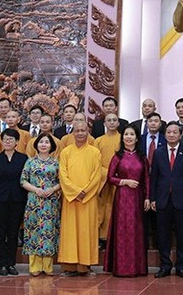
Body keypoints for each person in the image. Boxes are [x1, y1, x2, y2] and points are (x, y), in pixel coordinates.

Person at [149, 123, 183, 278]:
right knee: (163, 235)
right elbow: (154, 177)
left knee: (182, 235)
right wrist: (153, 198)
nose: (171, 134)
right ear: (165, 134)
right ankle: (165, 265)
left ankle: (182, 267)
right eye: (168, 132)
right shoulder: (159, 152)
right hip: (163, 199)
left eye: (175, 132)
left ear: (180, 135)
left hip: (182, 200)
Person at [58, 121, 103, 276]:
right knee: (70, 232)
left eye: (83, 130)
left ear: (88, 132)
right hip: (71, 199)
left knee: (86, 231)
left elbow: (97, 176)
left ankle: (85, 265)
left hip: (88, 199)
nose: (80, 133)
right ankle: (69, 266)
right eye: (77, 131)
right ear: (73, 133)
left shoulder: (95, 152)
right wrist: (76, 192)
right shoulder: (65, 152)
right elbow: (63, 175)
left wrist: (85, 192)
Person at [104, 125, 149, 277]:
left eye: (132, 134)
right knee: (122, 230)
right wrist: (124, 181)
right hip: (122, 197)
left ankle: (138, 267)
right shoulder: (118, 157)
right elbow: (110, 178)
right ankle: (121, 268)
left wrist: (148, 197)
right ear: (122, 138)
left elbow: (146, 179)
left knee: (136, 230)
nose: (129, 137)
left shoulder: (142, 158)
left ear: (137, 138)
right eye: (126, 134)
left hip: (138, 198)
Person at [0, 128, 28, 276]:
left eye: (11, 139)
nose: (8, 141)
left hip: (18, 200)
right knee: (0, 233)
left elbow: (25, 180)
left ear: (17, 142)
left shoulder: (23, 158)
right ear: (1, 141)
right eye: (5, 139)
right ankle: (1, 264)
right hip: (0, 200)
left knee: (13, 233)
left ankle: (11, 263)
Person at [21, 133, 62, 276]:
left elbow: (60, 181)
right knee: (34, 232)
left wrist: (52, 189)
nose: (44, 144)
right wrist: (36, 189)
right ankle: (34, 266)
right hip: (34, 201)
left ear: (51, 146)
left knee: (48, 232)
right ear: (36, 145)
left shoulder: (56, 163)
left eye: (47, 142)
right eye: (41, 142)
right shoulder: (30, 162)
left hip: (50, 202)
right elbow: (23, 181)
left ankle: (48, 266)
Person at [95, 113, 121, 248]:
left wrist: (117, 174)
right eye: (109, 120)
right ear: (104, 124)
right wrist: (106, 173)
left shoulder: (123, 139)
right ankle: (101, 238)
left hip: (119, 179)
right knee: (102, 208)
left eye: (114, 120)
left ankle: (116, 237)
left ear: (118, 123)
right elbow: (95, 161)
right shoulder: (98, 141)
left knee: (116, 208)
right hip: (103, 179)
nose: (111, 123)